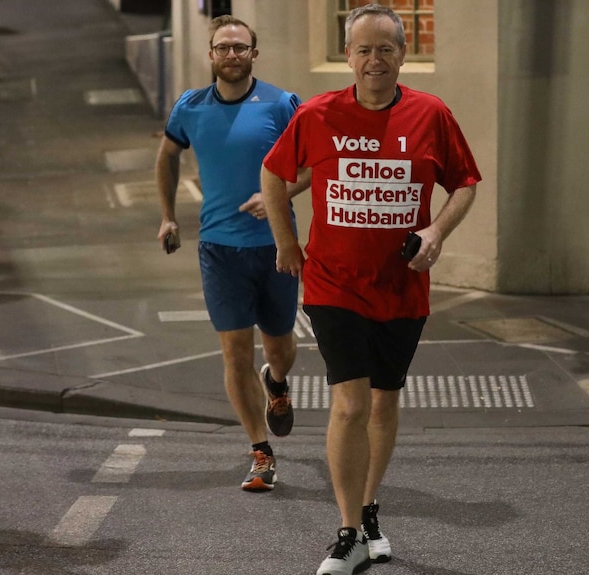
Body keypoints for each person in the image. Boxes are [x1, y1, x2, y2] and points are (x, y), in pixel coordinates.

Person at [261, 4, 481, 573]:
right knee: (350, 403)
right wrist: (286, 240)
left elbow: (464, 183)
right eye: (363, 49)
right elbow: (273, 172)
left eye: (385, 49)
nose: (374, 60)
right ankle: (348, 530)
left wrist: (436, 230)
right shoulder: (317, 114)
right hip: (334, 286)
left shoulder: (431, 115)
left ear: (403, 54)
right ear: (348, 55)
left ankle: (369, 506)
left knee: (384, 402)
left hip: (403, 288)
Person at [155, 15, 309, 492]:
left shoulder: (282, 105)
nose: (232, 55)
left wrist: (278, 196)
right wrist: (167, 216)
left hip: (277, 248)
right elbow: (166, 155)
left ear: (253, 55)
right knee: (233, 352)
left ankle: (277, 384)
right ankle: (261, 451)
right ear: (211, 55)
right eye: (223, 48)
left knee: (281, 348)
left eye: (240, 48)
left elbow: (312, 166)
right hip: (219, 250)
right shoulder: (191, 107)